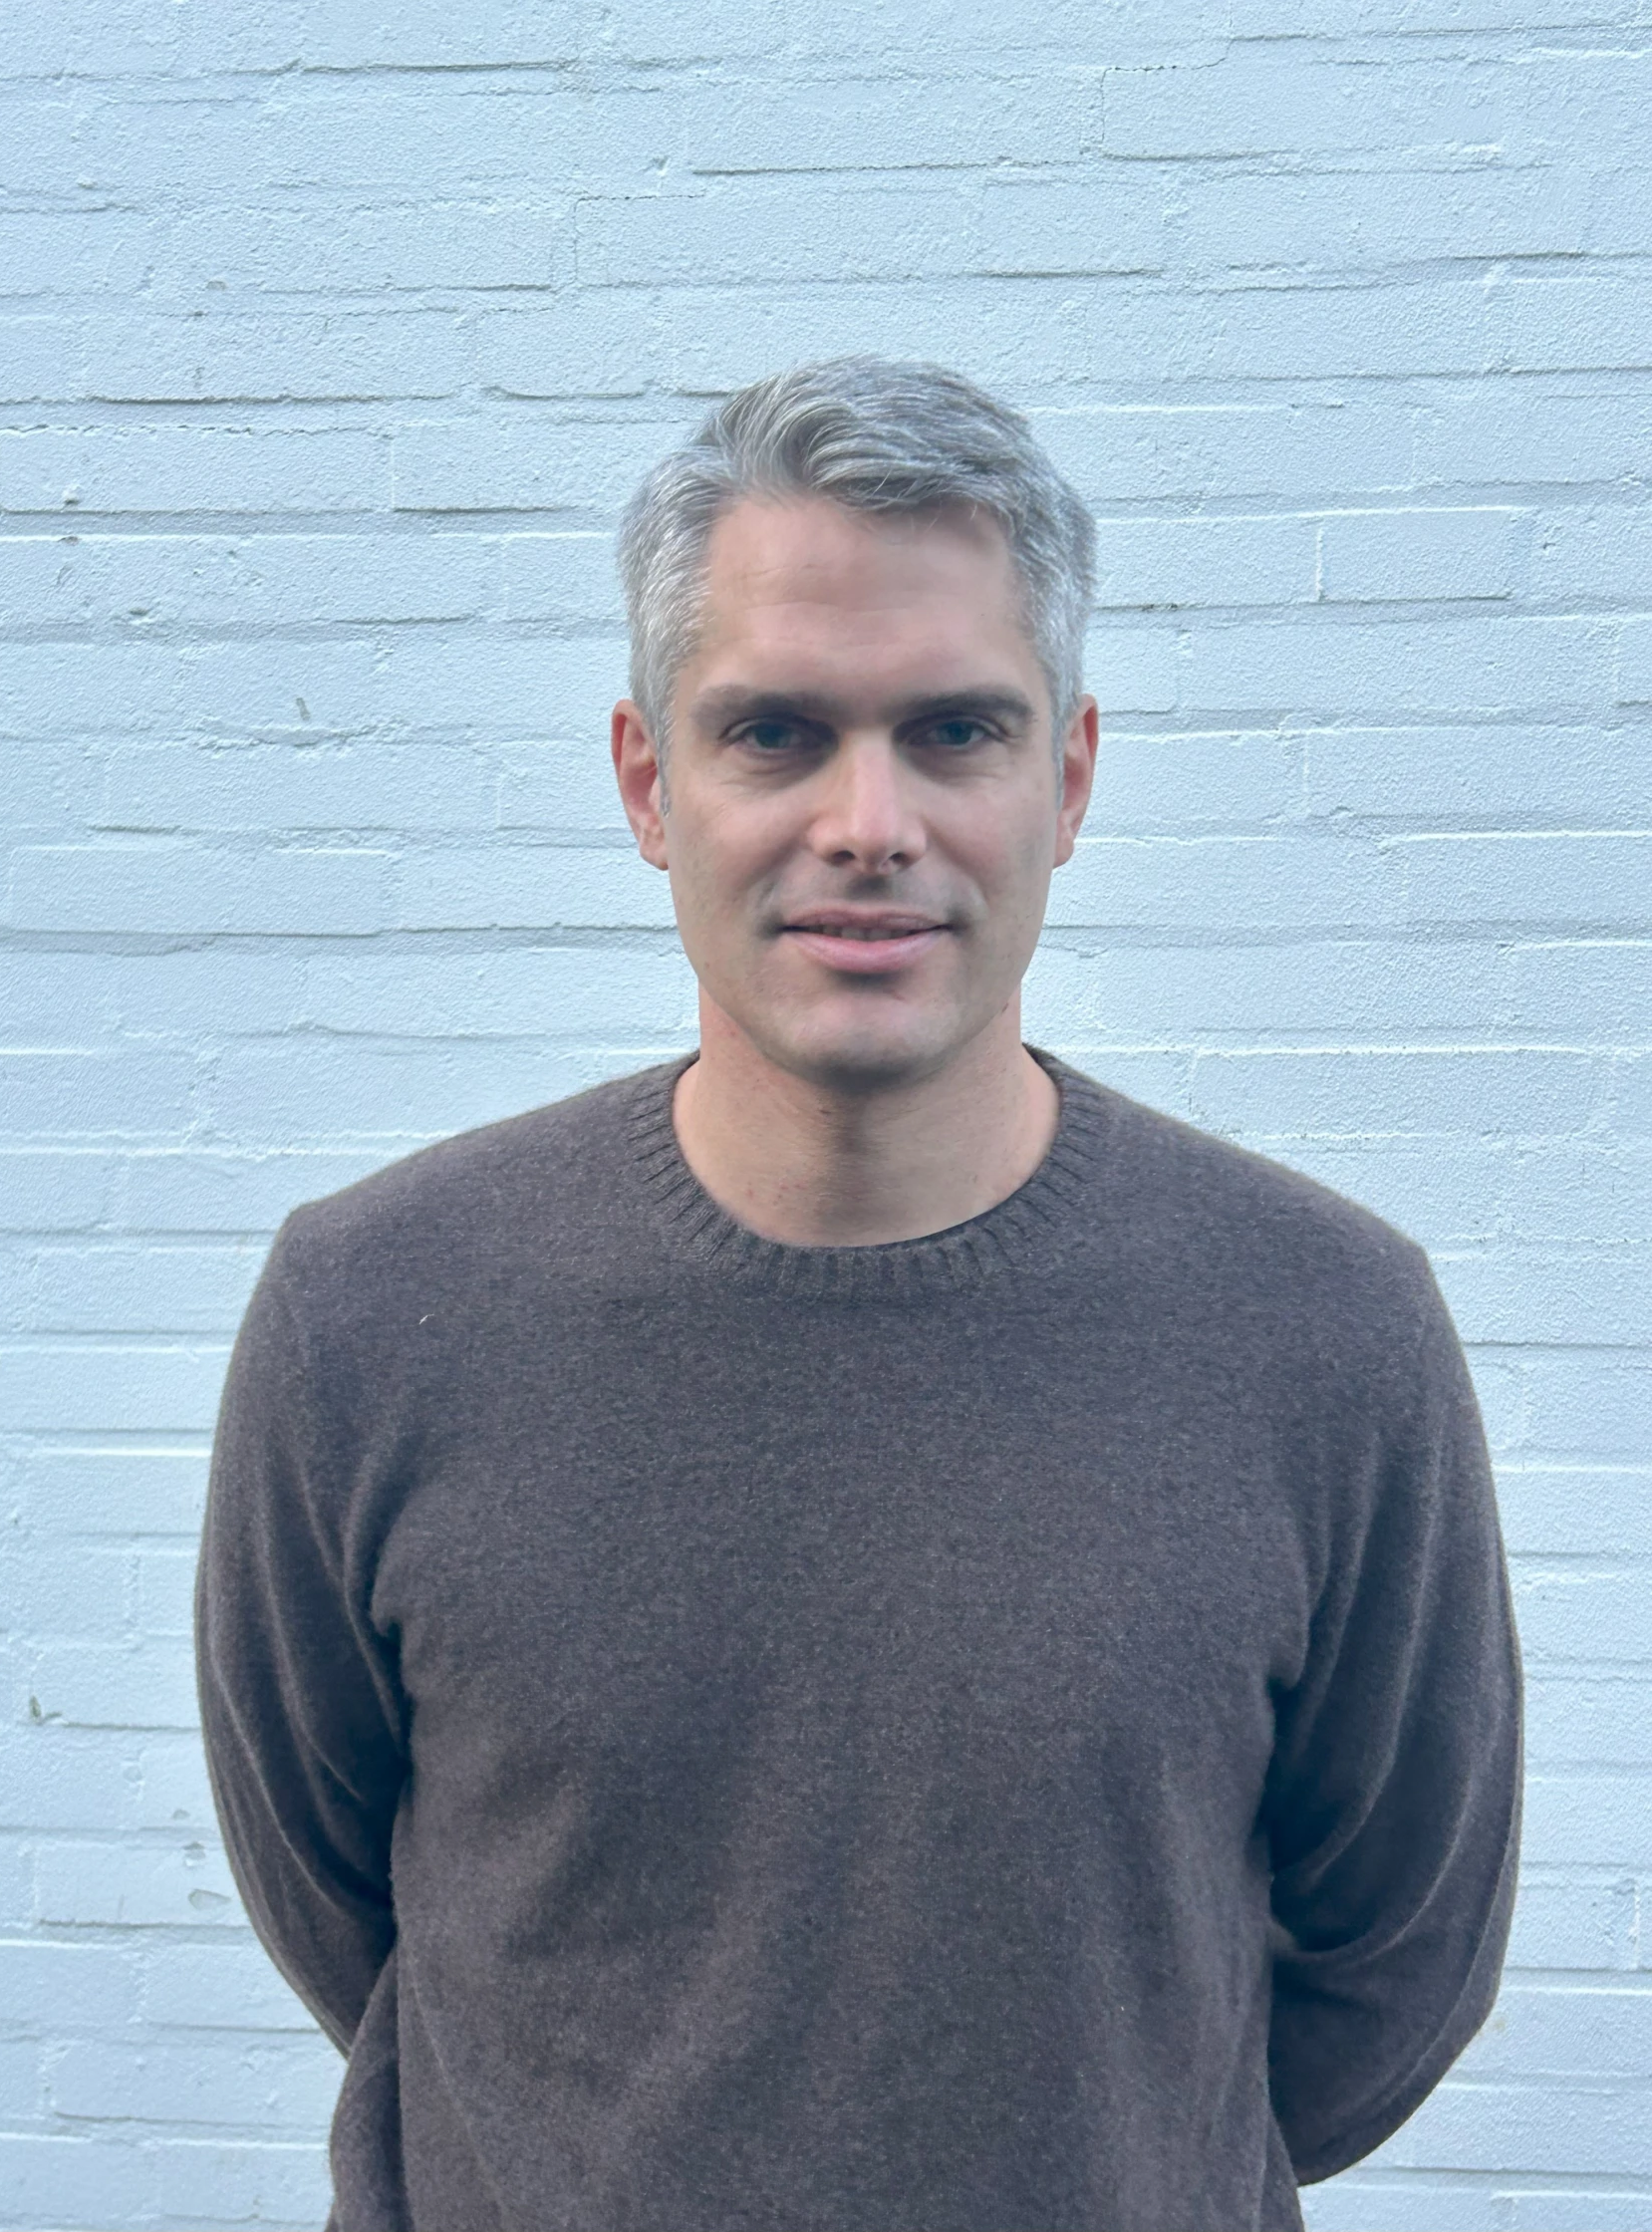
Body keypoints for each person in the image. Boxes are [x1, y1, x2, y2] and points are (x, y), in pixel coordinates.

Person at [195, 358, 1521, 2232]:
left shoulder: (1328, 1332)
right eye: (775, 733)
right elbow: (347, 1903)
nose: (869, 822)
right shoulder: (374, 1315)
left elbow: (1395, 1967)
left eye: (957, 731)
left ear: (1067, 779)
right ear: (649, 783)